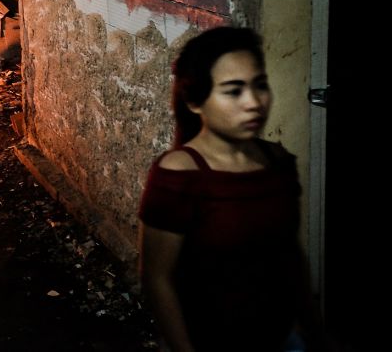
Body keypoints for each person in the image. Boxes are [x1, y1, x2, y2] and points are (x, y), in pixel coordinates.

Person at [138, 27, 325, 351]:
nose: (254, 102)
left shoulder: (277, 161)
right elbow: (157, 279)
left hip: (285, 340)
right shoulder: (179, 176)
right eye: (233, 90)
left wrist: (315, 332)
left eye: (260, 85)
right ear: (196, 101)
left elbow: (290, 256)